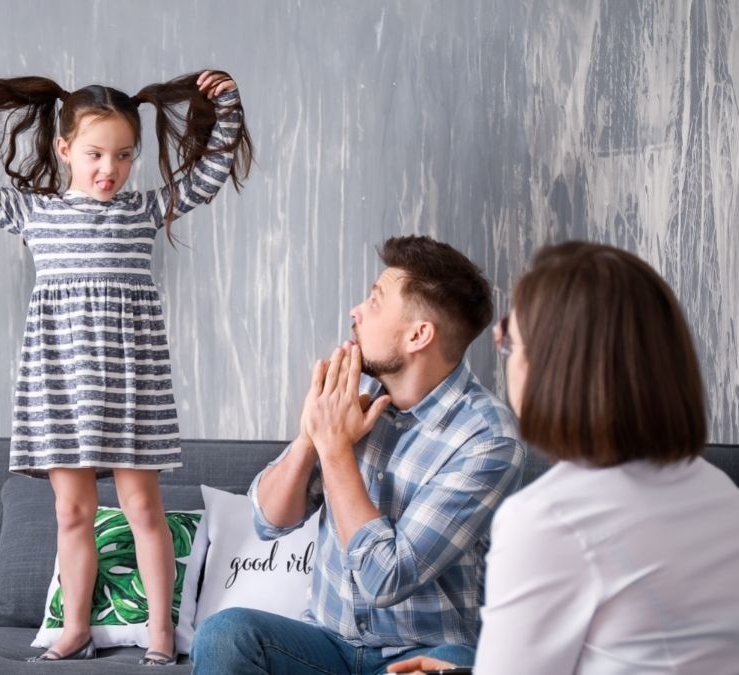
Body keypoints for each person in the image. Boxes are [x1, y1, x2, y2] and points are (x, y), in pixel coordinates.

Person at [0, 67, 254, 665]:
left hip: (132, 383)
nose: (111, 169)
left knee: (143, 511)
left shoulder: (142, 212)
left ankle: (161, 632)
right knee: (73, 512)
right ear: (64, 149)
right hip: (61, 383)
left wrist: (227, 105)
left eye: (126, 155)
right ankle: (74, 628)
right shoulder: (36, 214)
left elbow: (208, 177)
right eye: (95, 154)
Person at [388, 241, 739, 675]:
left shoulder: (548, 516)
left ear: (556, 370)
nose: (505, 359)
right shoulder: (719, 494)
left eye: (510, 344)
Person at [191, 235, 526, 674]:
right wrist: (312, 435)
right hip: (326, 644)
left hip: (423, 651)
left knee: (448, 670)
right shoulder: (354, 394)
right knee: (224, 635)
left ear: (418, 335)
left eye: (375, 301)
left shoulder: (486, 439)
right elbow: (269, 521)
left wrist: (335, 451)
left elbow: (386, 578)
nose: (357, 311)